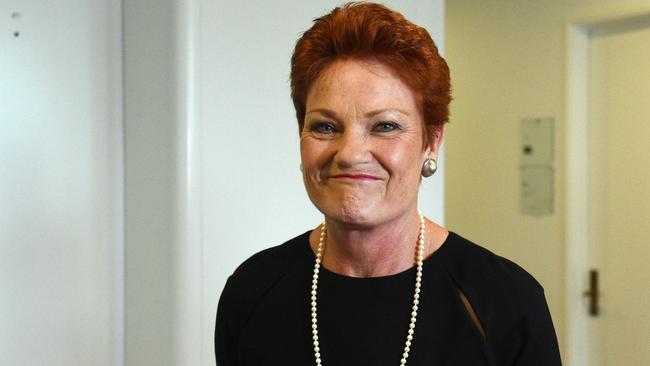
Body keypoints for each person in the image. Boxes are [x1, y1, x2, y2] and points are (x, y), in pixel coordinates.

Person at [215, 3, 561, 365]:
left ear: (431, 141)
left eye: (385, 126)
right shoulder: (252, 291)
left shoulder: (505, 301)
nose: (349, 153)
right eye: (325, 127)